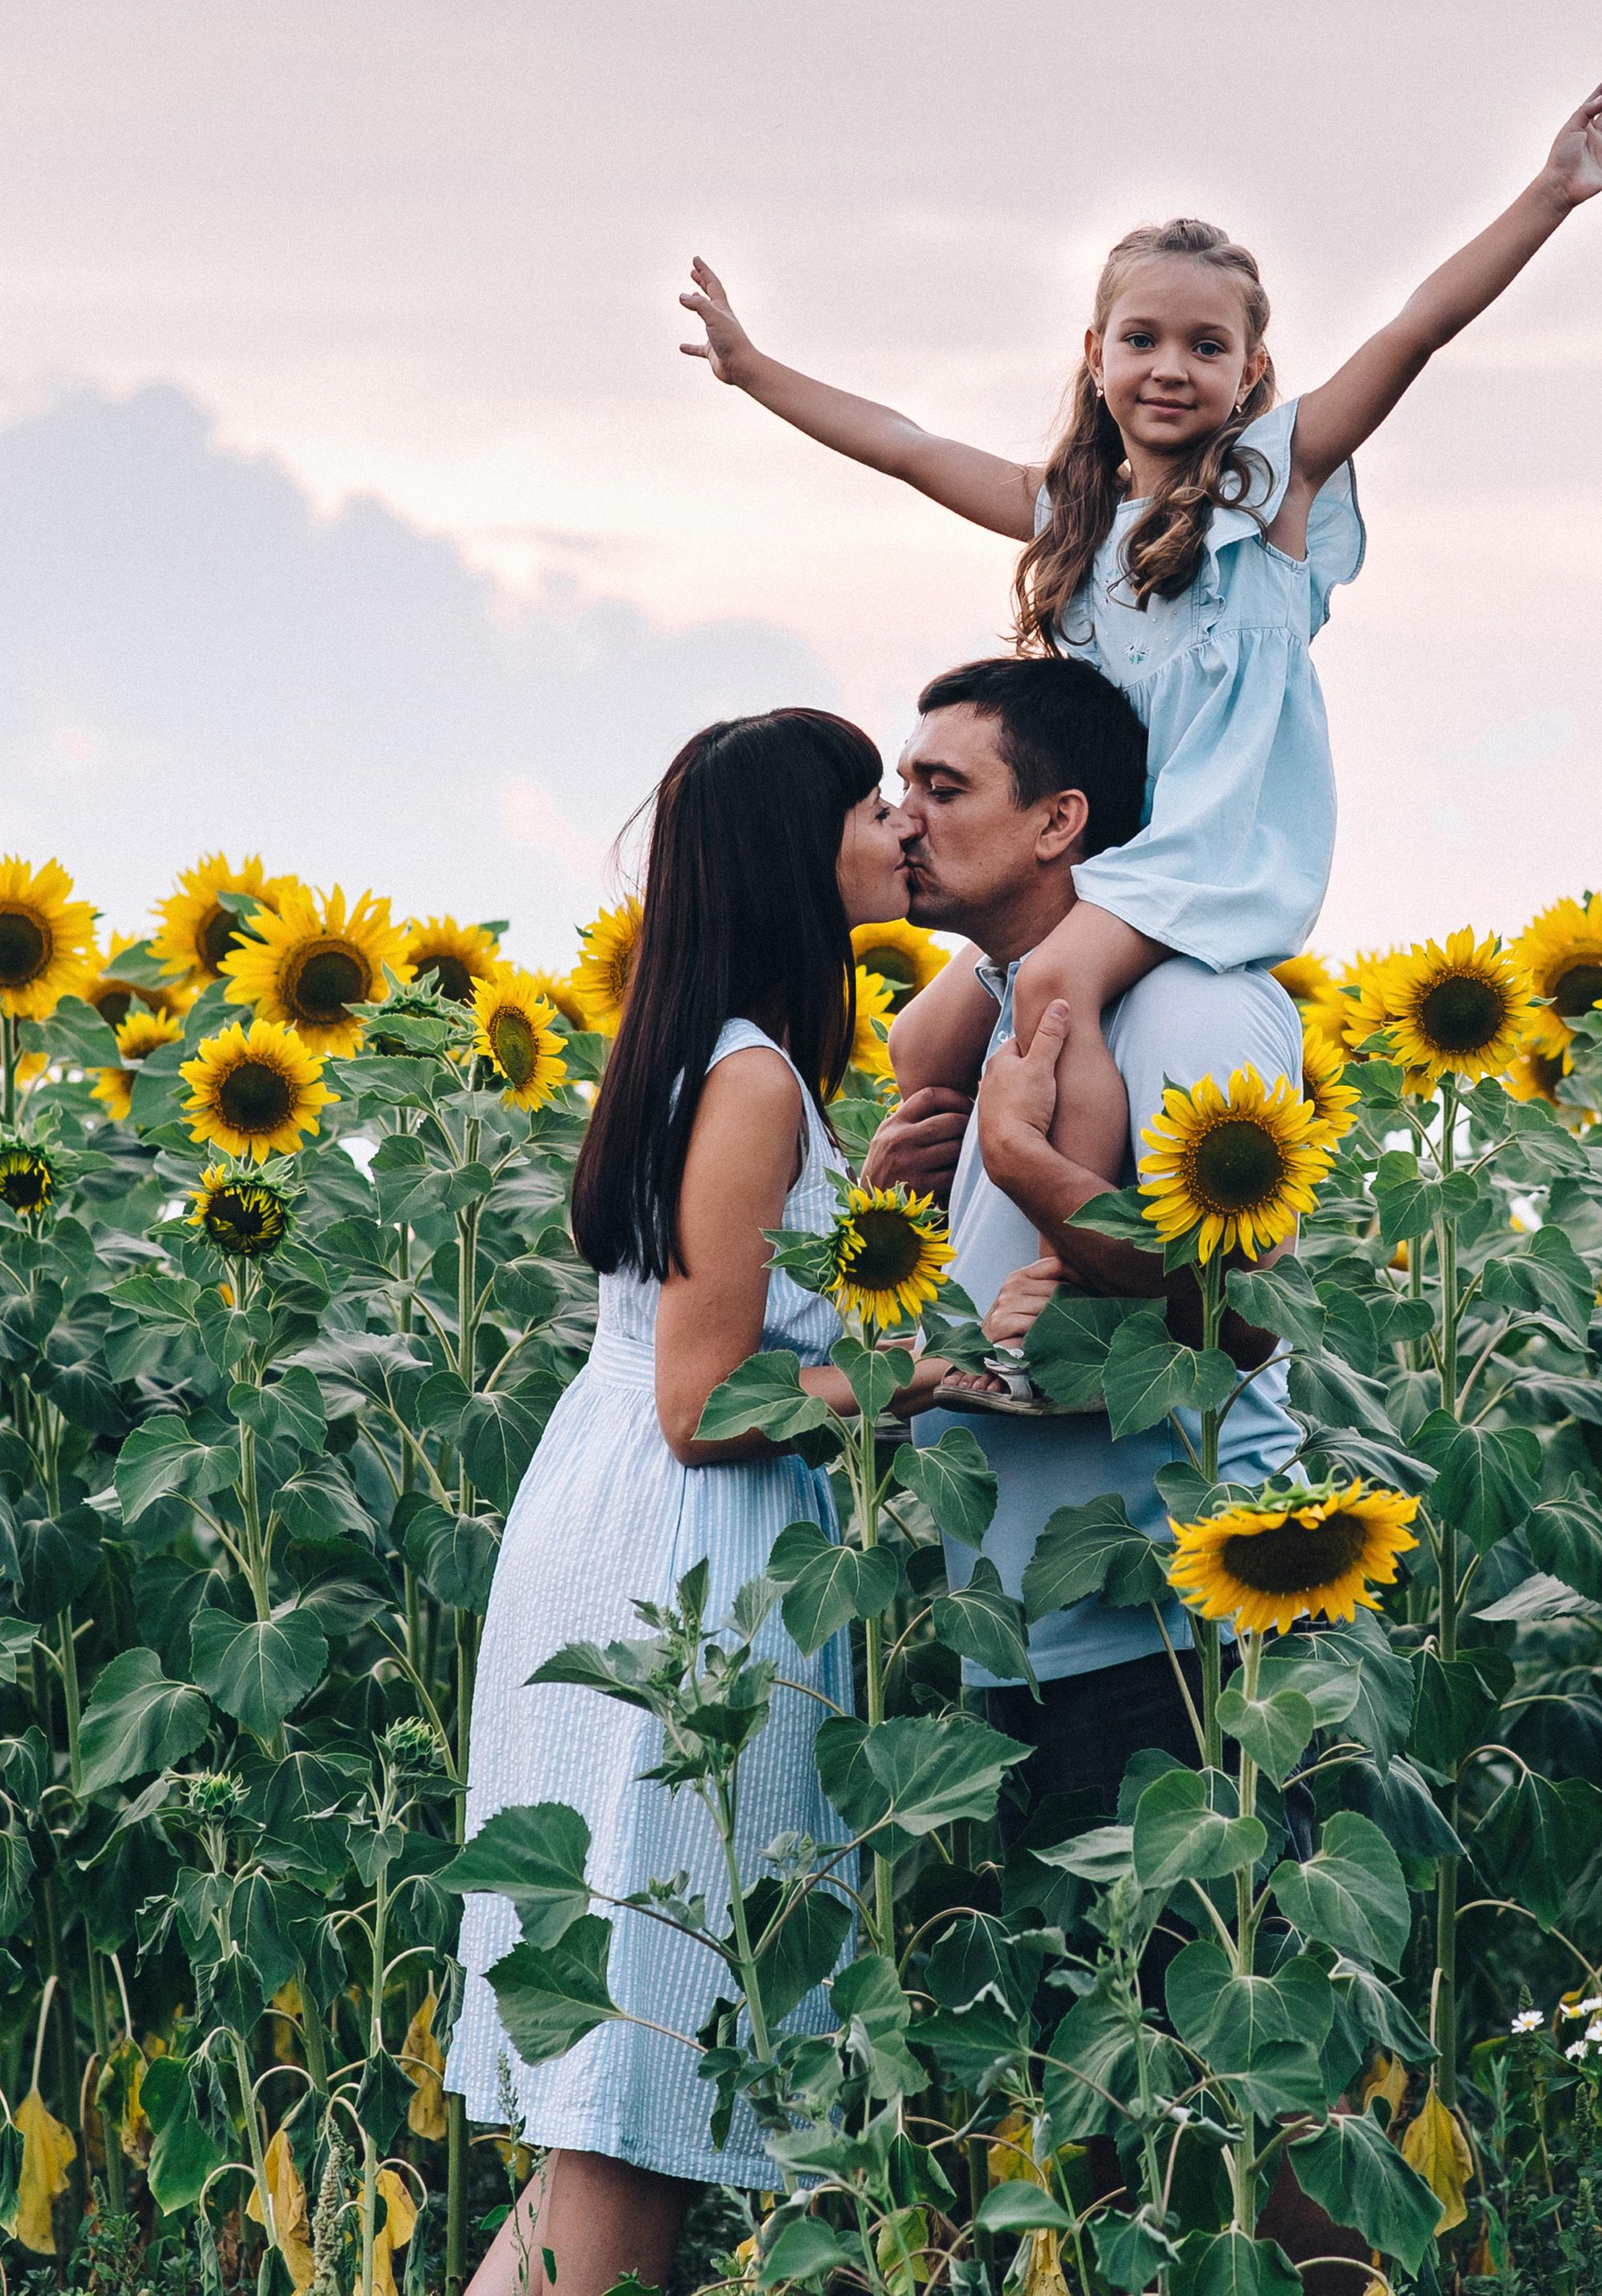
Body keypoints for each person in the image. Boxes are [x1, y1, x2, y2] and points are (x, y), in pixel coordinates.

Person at [680, 84, 1602, 1189]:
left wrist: (1550, 196)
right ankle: (934, 1232)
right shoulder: (1074, 519)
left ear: (1252, 372)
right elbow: (906, 444)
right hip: (1103, 856)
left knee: (1053, 988)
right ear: (1097, 354)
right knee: (919, 1042)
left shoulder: (1267, 497)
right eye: (1142, 340)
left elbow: (1412, 330)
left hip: (1209, 856)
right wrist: (754, 372)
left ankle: (1070, 1237)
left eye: (1206, 345)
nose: (1171, 368)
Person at [449, 709, 951, 2296]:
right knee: (636, 2108)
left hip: (615, 1524)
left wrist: (870, 1222)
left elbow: (726, 1322)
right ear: (798, 856)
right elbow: (709, 1402)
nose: (901, 828)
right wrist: (928, 1375)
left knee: (624, 2109)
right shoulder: (749, 1078)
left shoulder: (724, 1055)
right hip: (682, 1560)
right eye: (875, 805)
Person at [862, 655, 1304, 1814]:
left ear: (1060, 821)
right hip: (1028, 1634)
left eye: (944, 790)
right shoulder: (1007, 1011)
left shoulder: (1188, 1006)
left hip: (1174, 1632)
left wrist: (1028, 1168)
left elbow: (1245, 1313)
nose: (904, 820)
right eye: (903, 787)